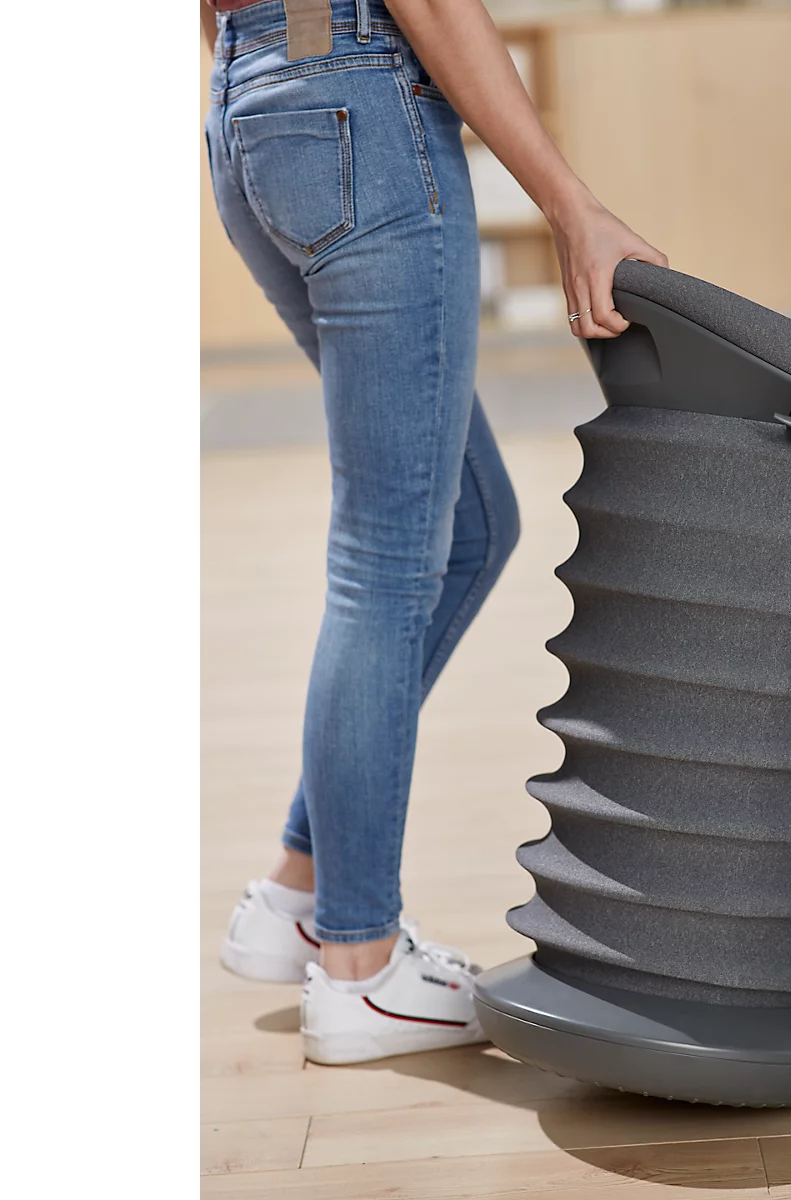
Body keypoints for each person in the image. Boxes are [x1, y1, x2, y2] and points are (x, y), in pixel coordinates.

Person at [202, 0, 667, 1065]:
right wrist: (570, 205)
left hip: (253, 94)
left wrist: (272, 68)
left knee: (468, 521)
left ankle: (301, 892)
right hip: (357, 99)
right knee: (388, 559)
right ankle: (360, 970)